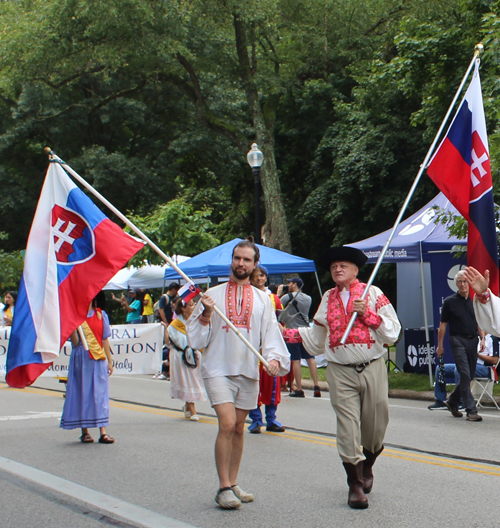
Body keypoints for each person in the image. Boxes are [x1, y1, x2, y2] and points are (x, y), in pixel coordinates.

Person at [282, 247, 400, 509]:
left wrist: (368, 315)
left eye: (343, 265)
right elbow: (317, 339)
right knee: (347, 426)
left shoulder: (373, 293)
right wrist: (290, 334)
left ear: (356, 270)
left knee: (376, 424)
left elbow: (393, 333)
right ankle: (355, 484)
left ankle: (367, 464)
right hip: (339, 369)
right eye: (334, 266)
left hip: (372, 366)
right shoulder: (327, 297)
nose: (337, 269)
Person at [186, 239, 290, 510]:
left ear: (255, 265)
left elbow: (270, 332)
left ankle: (233, 482)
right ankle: (222, 488)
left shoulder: (263, 299)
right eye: (237, 258)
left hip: (247, 370)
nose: (240, 264)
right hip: (217, 368)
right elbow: (196, 339)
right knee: (228, 424)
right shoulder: (213, 294)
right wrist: (206, 314)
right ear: (231, 261)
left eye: (246, 260)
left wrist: (274, 359)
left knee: (240, 430)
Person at [60, 292, 115, 444]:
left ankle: (103, 431)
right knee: (83, 393)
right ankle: (85, 431)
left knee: (100, 394)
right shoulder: (76, 316)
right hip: (81, 357)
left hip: (97, 358)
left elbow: (105, 339)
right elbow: (76, 342)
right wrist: (72, 325)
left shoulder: (101, 315)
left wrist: (109, 361)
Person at [436, 270, 485, 422]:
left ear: (469, 284)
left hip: (473, 340)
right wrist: (440, 345)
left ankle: (452, 401)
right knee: (464, 373)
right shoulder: (450, 302)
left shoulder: (474, 300)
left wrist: (482, 338)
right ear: (456, 284)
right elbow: (443, 325)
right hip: (457, 340)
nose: (463, 284)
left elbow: (479, 322)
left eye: (465, 281)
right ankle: (471, 410)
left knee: (469, 375)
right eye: (460, 282)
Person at [248, 266, 285, 434]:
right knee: (251, 383)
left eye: (262, 276)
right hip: (251, 347)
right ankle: (256, 419)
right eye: (255, 276)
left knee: (272, 383)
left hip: (268, 346)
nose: (259, 279)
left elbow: (282, 320)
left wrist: (281, 327)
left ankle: (271, 419)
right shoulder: (247, 297)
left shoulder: (274, 298)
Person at [428, 334, 499, 410]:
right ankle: (440, 400)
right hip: (468, 364)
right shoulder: (474, 338)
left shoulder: (492, 339)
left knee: (460, 369)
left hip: (486, 368)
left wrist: (477, 355)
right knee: (440, 368)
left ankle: (461, 401)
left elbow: (495, 360)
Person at [278, 277, 320, 398]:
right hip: (306, 331)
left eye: (290, 283)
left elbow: (279, 308)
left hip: (292, 332)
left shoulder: (286, 298)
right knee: (310, 358)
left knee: (296, 360)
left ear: (295, 284)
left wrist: (280, 293)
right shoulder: (308, 298)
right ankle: (316, 385)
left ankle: (299, 388)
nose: (288, 285)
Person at [167, 297, 207, 420]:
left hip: (196, 354)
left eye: (194, 304)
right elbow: (180, 342)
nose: (193, 306)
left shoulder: (196, 321)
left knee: (195, 380)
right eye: (190, 305)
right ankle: (192, 409)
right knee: (187, 380)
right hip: (182, 356)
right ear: (183, 308)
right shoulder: (175, 325)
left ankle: (187, 405)